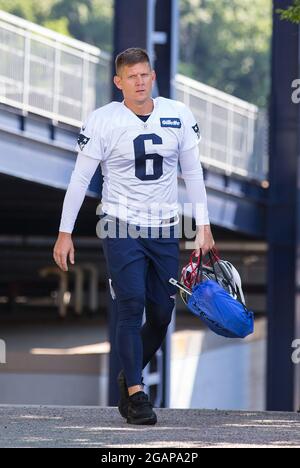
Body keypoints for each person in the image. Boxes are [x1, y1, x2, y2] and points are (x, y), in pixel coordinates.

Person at [53, 48, 215, 425]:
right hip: (120, 223)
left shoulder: (178, 114)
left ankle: (131, 371)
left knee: (161, 312)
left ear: (153, 76)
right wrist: (65, 232)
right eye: (132, 77)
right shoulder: (103, 121)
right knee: (131, 303)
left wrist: (203, 225)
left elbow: (193, 175)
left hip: (165, 226)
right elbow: (80, 179)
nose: (140, 82)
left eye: (145, 75)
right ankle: (136, 395)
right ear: (118, 82)